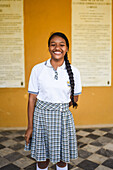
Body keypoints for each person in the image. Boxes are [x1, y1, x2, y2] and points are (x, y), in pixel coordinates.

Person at [24, 32, 82, 170]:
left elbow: (74, 99)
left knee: (62, 161)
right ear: (49, 48)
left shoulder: (74, 71)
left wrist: (57, 108)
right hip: (41, 118)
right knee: (42, 160)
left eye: (61, 45)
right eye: (53, 44)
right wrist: (30, 126)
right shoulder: (38, 69)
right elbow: (32, 99)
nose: (57, 48)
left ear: (67, 48)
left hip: (63, 119)